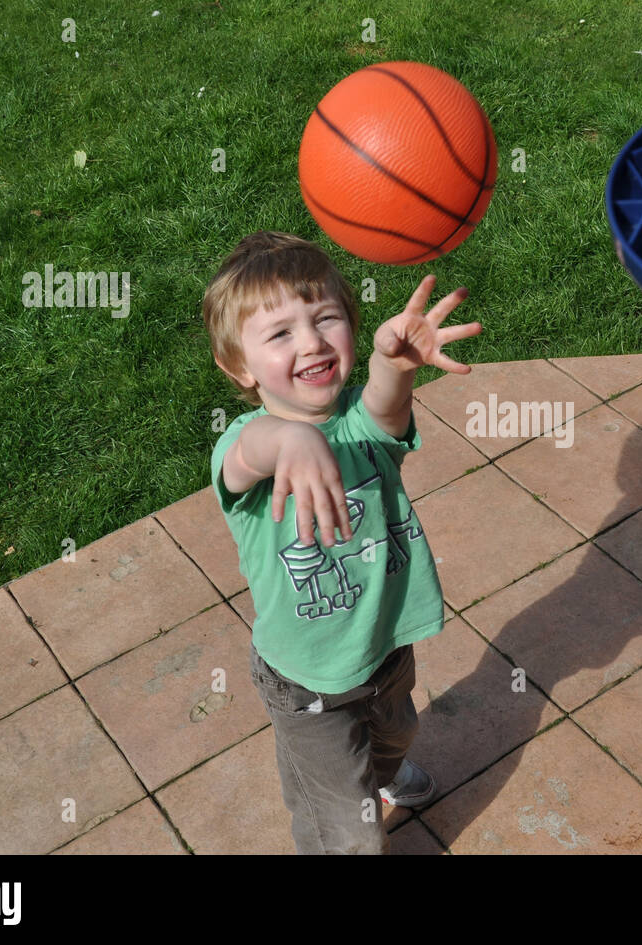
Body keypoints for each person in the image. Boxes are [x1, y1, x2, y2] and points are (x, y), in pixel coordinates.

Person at [202, 230, 480, 854]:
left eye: (326, 318)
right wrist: (291, 441)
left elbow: (385, 406)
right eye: (280, 334)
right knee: (345, 832)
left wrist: (393, 362)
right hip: (307, 682)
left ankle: (380, 775)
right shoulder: (244, 444)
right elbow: (249, 455)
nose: (312, 342)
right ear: (239, 367)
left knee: (398, 734)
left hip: (384, 646)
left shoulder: (361, 421)